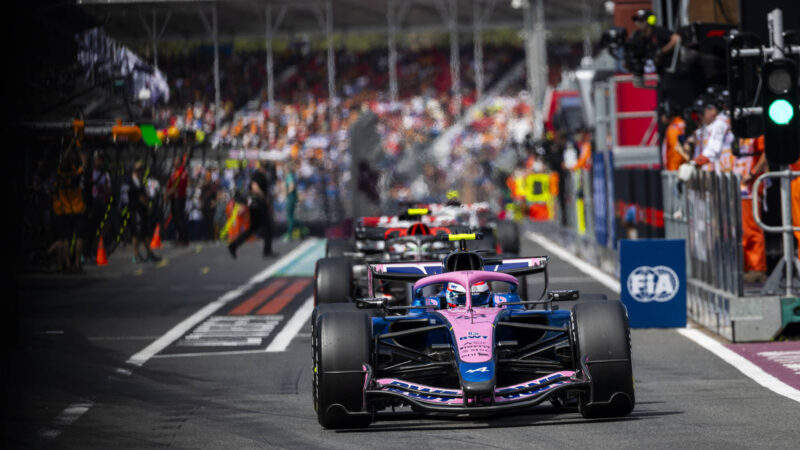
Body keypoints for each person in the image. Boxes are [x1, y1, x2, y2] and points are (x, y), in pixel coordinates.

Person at [735, 135, 768, 283]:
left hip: (749, 186)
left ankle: (757, 268)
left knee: (751, 229)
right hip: (735, 183)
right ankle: (746, 267)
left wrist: (752, 173)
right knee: (740, 230)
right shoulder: (734, 128)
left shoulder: (757, 133)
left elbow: (766, 153)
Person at [228, 161, 275, 258]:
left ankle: (233, 245)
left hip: (255, 205)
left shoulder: (258, 174)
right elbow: (255, 187)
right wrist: (264, 198)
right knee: (268, 227)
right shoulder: (259, 174)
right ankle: (267, 251)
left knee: (252, 228)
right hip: (258, 205)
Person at [52, 142, 87, 272]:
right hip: (78, 209)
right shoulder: (75, 176)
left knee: (65, 238)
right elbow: (84, 164)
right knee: (79, 237)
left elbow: (64, 161)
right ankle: (77, 263)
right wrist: (78, 149)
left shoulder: (60, 175)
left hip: (65, 210)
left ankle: (66, 263)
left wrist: (70, 146)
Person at [129, 161, 162, 263]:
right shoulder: (133, 181)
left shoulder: (139, 181)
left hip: (141, 211)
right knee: (137, 234)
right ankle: (136, 255)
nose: (141, 172)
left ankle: (149, 254)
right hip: (136, 210)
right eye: (139, 169)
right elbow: (140, 197)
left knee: (144, 233)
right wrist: (147, 206)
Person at [629, 9, 680, 74]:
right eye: (637, 20)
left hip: (666, 68)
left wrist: (662, 51)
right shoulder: (636, 35)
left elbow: (676, 38)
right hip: (648, 70)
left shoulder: (659, 31)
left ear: (650, 20)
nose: (638, 23)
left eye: (642, 20)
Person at [85, 153, 111, 259]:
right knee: (91, 228)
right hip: (92, 203)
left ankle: (96, 247)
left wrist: (107, 199)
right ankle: (88, 251)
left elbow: (109, 189)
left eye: (101, 160)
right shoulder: (89, 173)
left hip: (102, 203)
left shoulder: (105, 174)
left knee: (105, 225)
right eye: (97, 160)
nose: (100, 162)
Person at [165, 155, 189, 245]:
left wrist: (169, 192)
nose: (174, 163)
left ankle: (184, 238)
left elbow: (178, 185)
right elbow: (170, 184)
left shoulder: (181, 172)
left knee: (180, 219)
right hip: (173, 198)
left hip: (179, 198)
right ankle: (180, 238)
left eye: (175, 161)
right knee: (175, 219)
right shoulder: (174, 173)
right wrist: (167, 193)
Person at [660, 101, 688, 171]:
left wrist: (673, 170)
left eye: (662, 114)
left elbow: (675, 151)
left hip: (676, 170)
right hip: (682, 168)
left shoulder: (673, 129)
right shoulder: (681, 123)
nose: (661, 117)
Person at [284, 161, 299, 241]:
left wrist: (287, 193)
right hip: (292, 198)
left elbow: (291, 186)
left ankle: (290, 234)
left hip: (291, 198)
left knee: (289, 217)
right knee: (291, 216)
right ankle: (302, 228)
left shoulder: (289, 176)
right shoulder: (291, 175)